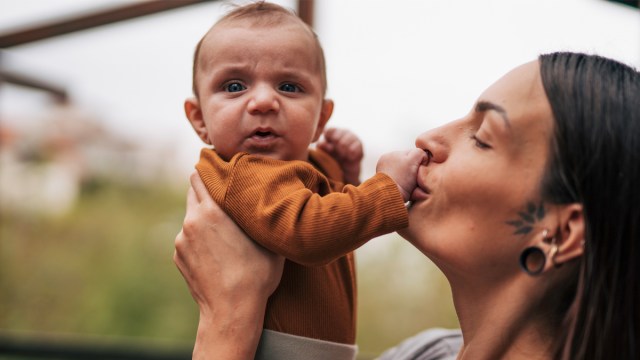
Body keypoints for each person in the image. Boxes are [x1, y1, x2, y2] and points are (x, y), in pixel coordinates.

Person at [175, 51, 640, 359]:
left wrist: (228, 319)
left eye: (481, 138)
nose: (429, 138)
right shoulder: (422, 354)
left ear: (560, 232)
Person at [182, 1, 426, 354]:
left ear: (322, 117)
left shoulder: (291, 174)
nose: (263, 101)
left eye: (290, 87)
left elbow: (334, 229)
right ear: (199, 117)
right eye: (235, 86)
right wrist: (386, 189)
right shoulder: (242, 172)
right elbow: (310, 232)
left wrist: (341, 176)